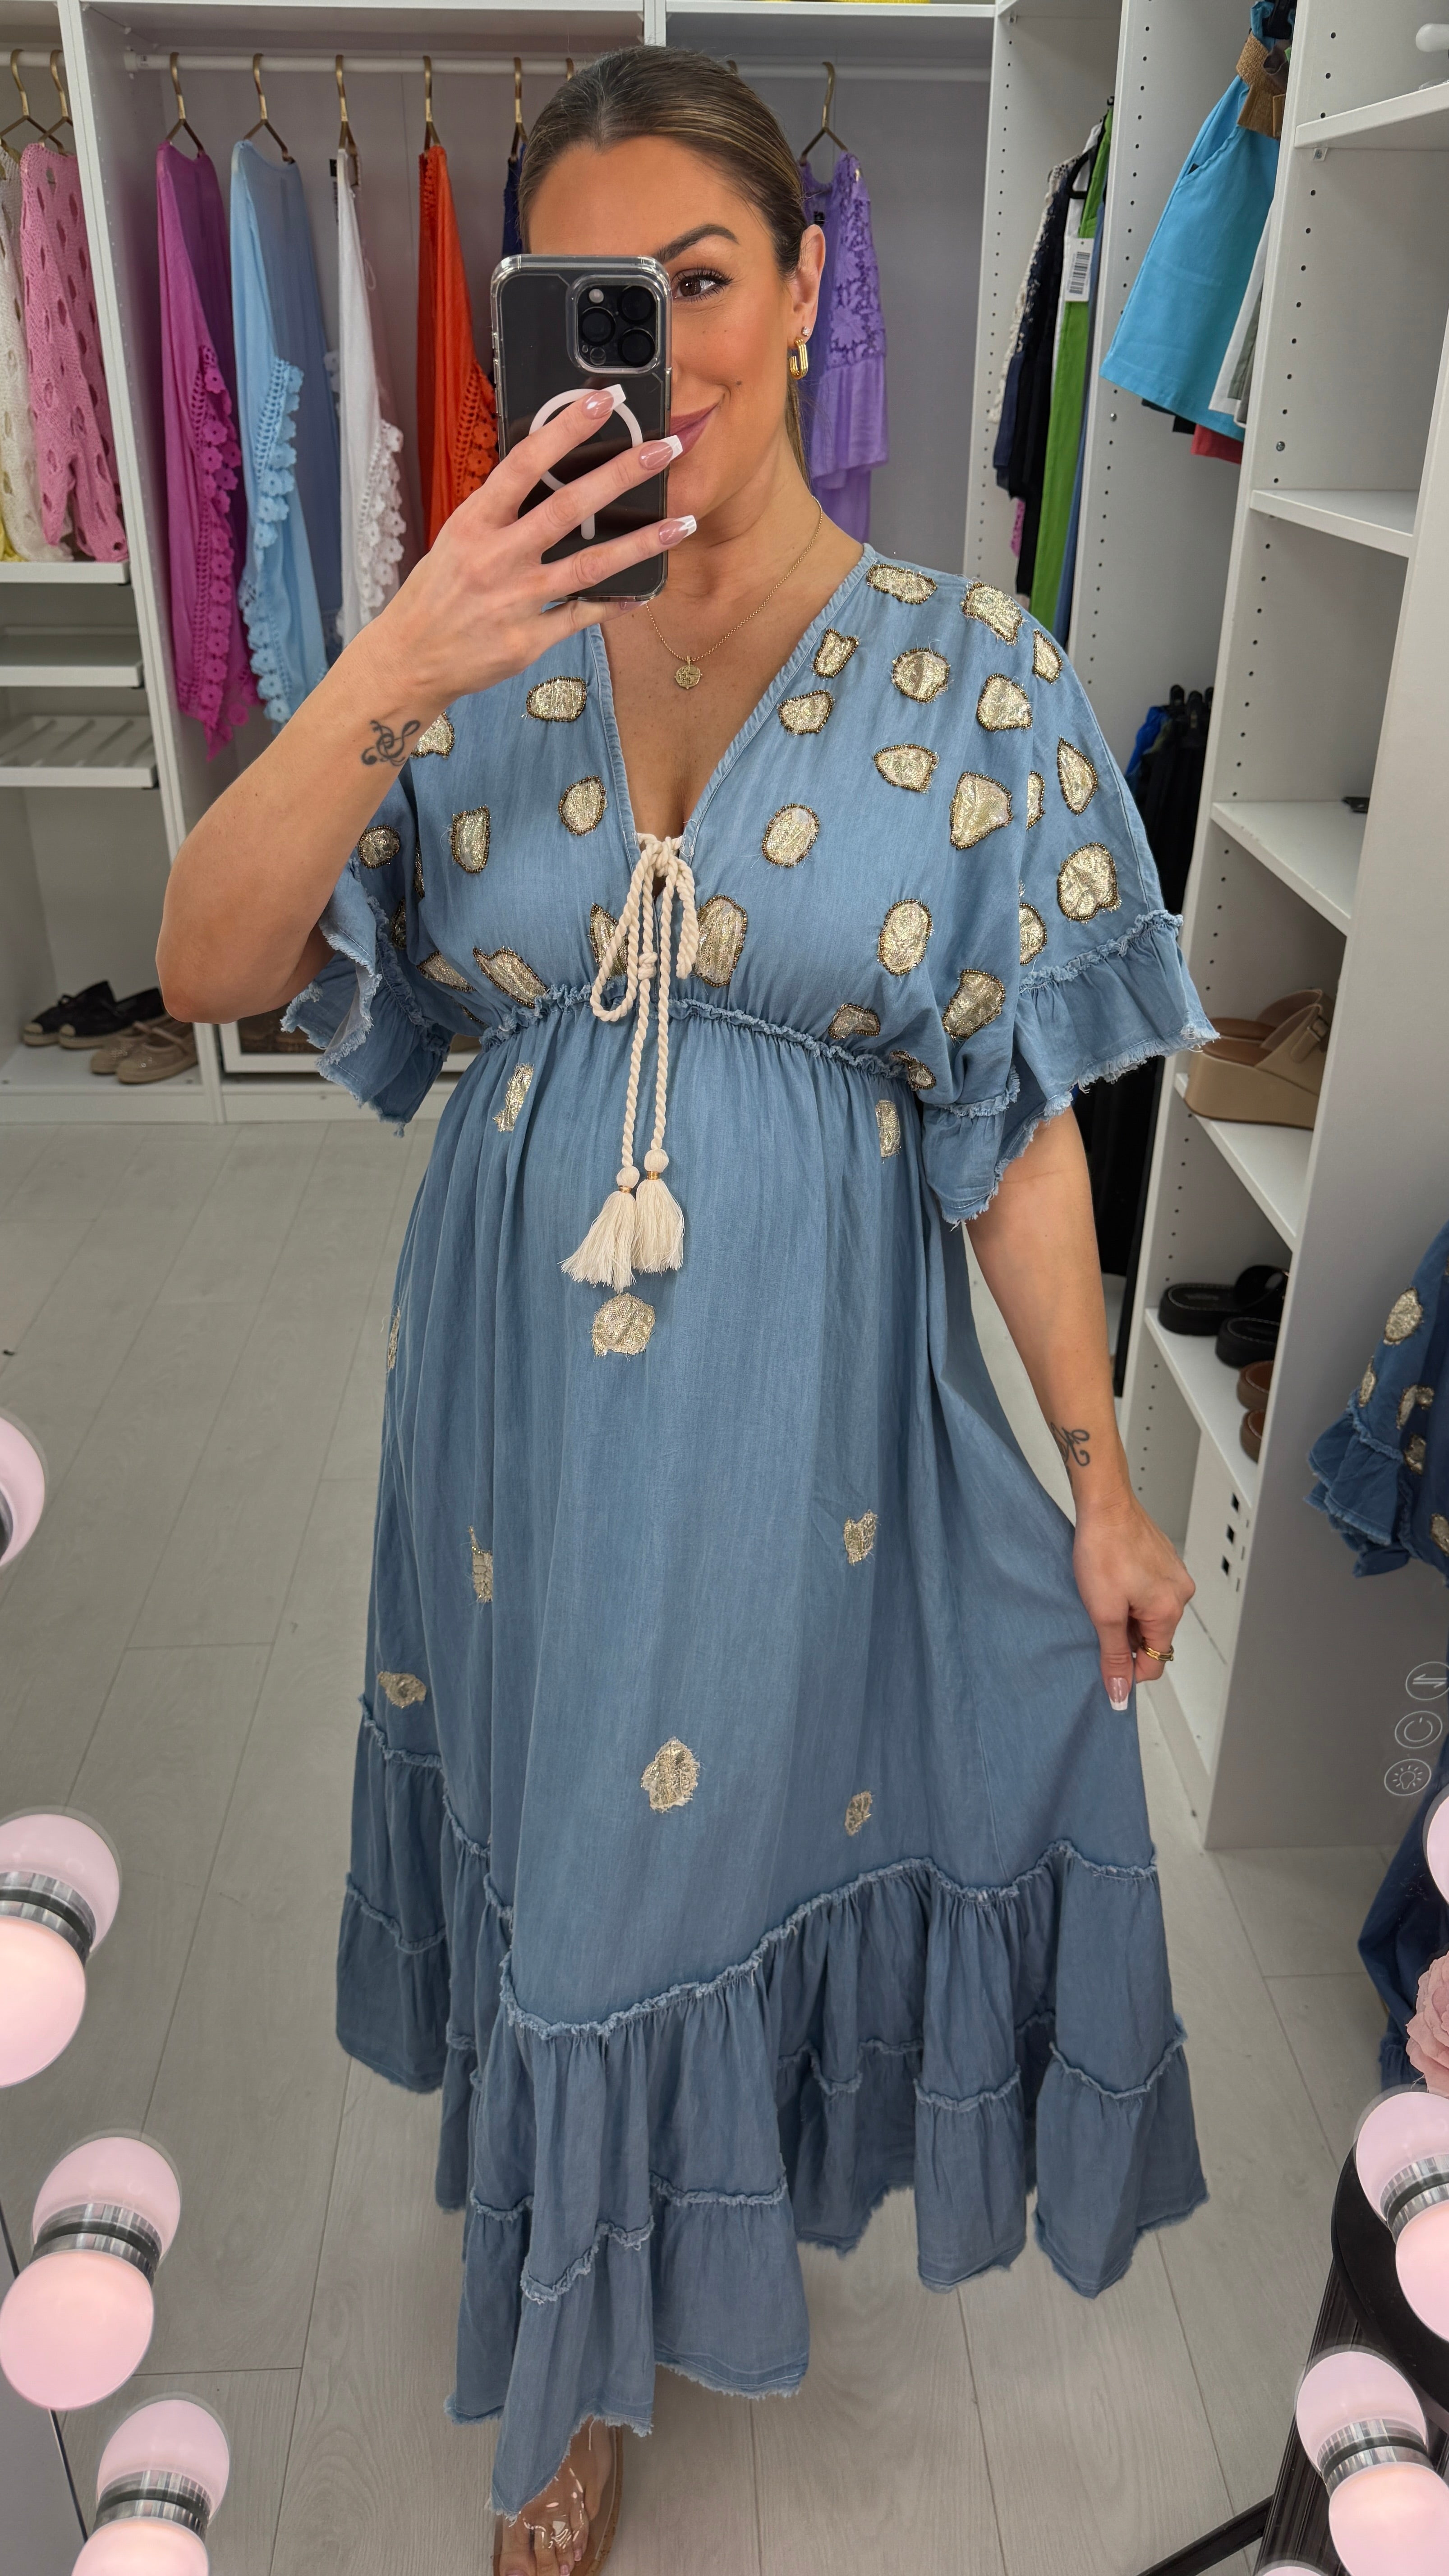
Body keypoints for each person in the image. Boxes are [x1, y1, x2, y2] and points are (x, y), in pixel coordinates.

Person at [158, 51, 1213, 2576]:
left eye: (704, 279)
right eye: (595, 297)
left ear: (810, 288)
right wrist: (399, 660)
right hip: (514, 1427)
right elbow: (207, 960)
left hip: (801, 1434)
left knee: (715, 1846)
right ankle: (576, 2352)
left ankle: (597, 2324)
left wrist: (1098, 1474)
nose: (665, 346)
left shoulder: (979, 674)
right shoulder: (471, 658)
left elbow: (1017, 1130)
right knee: (564, 1844)